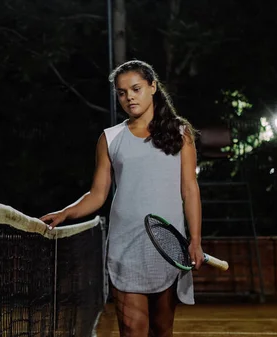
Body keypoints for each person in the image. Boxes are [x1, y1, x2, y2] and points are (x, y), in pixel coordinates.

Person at [40, 60, 204, 337]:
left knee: (162, 329)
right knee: (132, 330)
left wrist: (196, 240)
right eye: (121, 92)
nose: (129, 97)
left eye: (136, 89)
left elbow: (190, 189)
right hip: (125, 247)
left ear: (153, 87)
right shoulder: (110, 138)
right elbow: (97, 194)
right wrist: (66, 212)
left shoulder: (180, 133)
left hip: (167, 248)